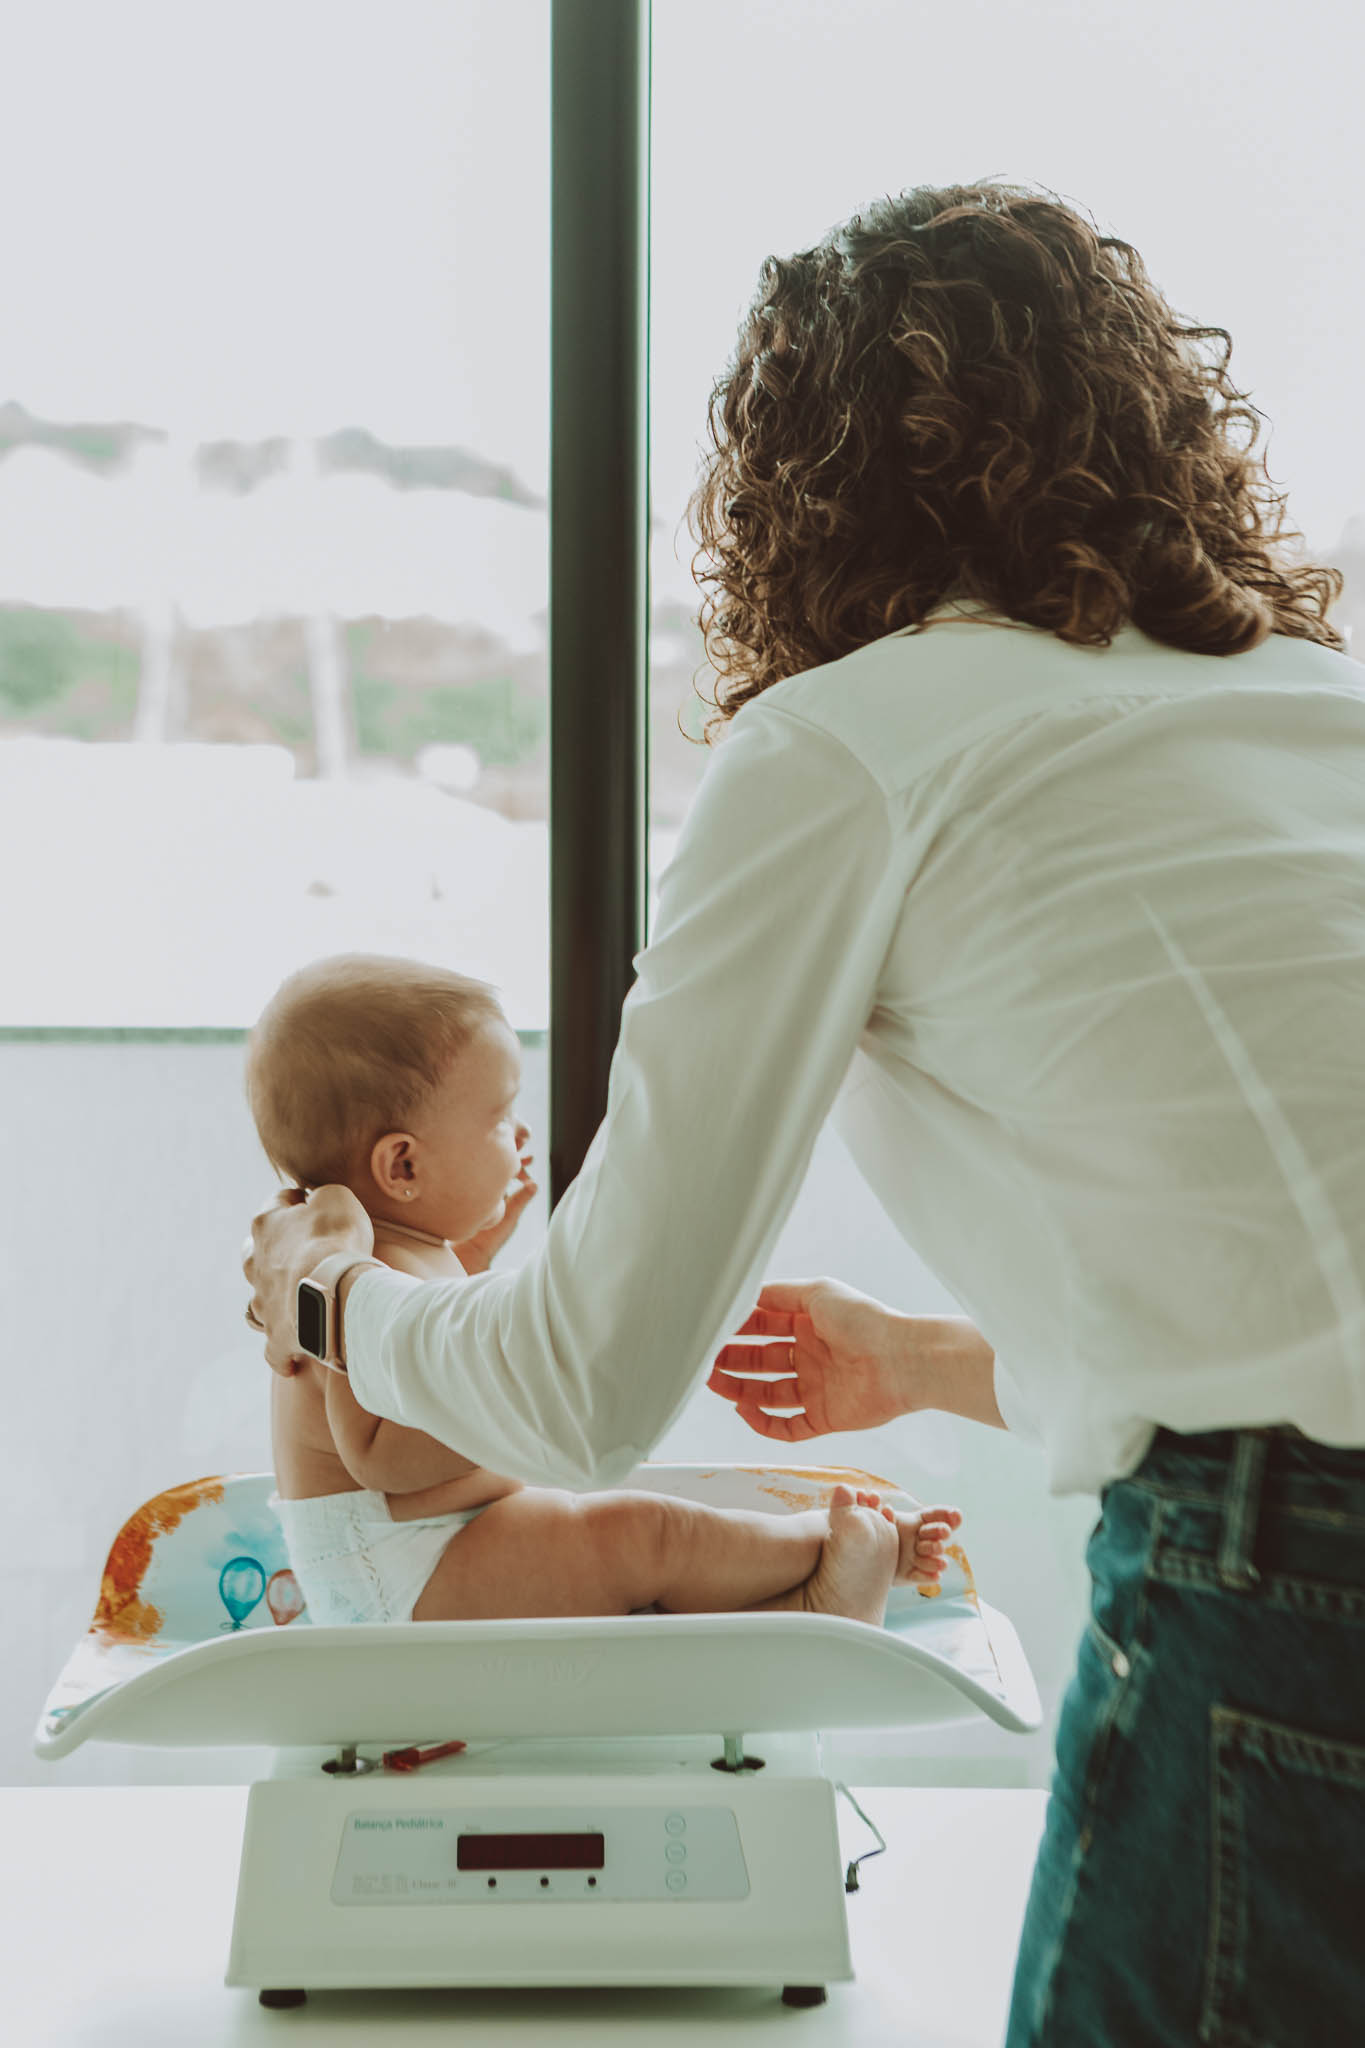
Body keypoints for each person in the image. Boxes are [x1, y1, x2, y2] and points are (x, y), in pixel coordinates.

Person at [245, 179, 1363, 2044]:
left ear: (800, 482)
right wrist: (918, 1362)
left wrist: (325, 1302)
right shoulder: (1314, 707)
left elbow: (585, 1390)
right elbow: (1286, 1279)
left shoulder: (849, 743)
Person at [245, 954, 959, 1627]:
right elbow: (380, 1452)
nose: (518, 1133)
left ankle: (800, 1609)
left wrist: (473, 1258)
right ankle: (819, 1555)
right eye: (496, 1117)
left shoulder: (383, 1255)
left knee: (627, 1555)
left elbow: (427, 1365)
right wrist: (522, 1419)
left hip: (431, 1554)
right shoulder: (352, 1269)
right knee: (638, 1534)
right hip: (397, 1579)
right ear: (402, 1166)